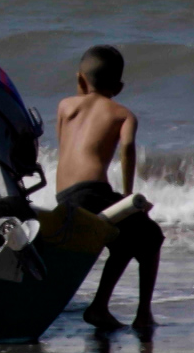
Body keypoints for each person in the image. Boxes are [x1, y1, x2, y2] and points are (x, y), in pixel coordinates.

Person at [54, 45, 162, 332]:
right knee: (152, 236)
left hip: (64, 196)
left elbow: (64, 147)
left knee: (127, 240)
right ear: (119, 87)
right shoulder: (123, 114)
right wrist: (128, 198)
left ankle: (100, 308)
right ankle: (142, 315)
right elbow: (127, 148)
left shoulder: (65, 106)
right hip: (92, 192)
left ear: (80, 79)